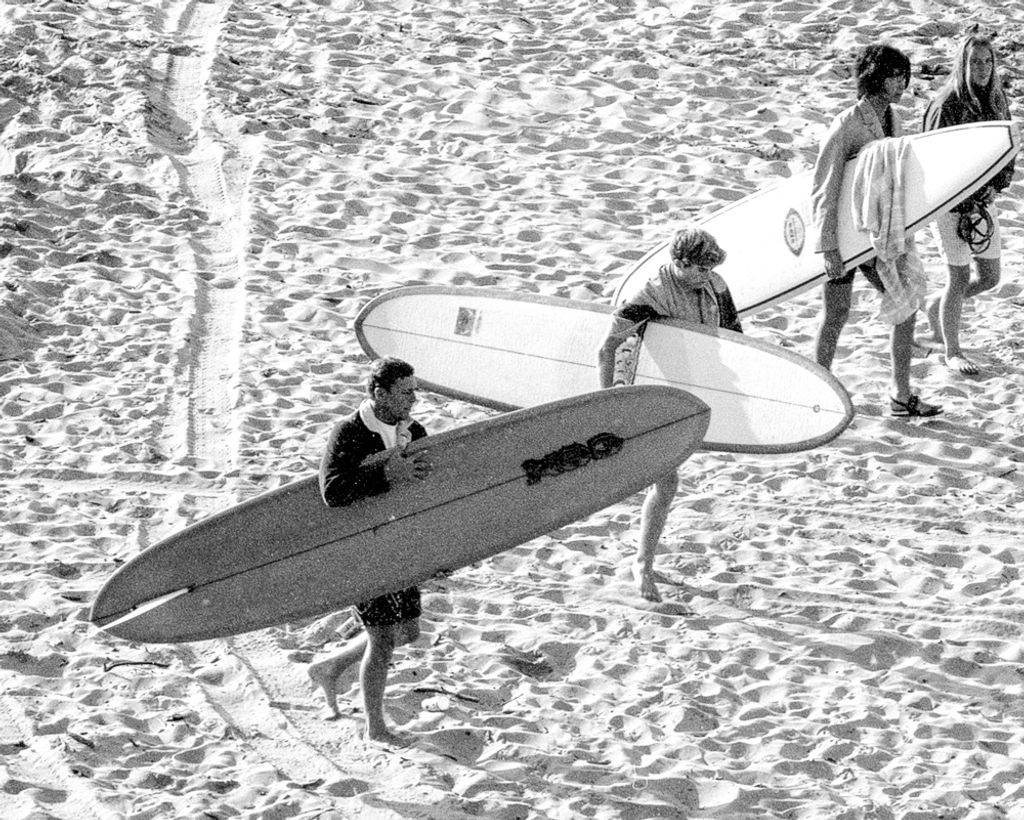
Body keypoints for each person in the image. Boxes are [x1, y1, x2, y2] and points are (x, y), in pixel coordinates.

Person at [597, 227, 741, 602]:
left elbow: (736, 338)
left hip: (692, 392)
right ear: (679, 263)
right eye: (699, 270)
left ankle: (645, 559)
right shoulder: (651, 294)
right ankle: (642, 564)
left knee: (666, 484)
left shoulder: (716, 283)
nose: (706, 277)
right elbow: (607, 346)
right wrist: (607, 404)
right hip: (654, 393)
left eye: (711, 270)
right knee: (667, 483)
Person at [810, 42, 942, 418]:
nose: (900, 83)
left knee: (906, 303)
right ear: (875, 78)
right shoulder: (848, 123)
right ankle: (817, 395)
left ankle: (901, 395)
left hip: (876, 235)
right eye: (893, 76)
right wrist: (829, 248)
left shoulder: (893, 119)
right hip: (845, 236)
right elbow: (825, 186)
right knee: (836, 314)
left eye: (902, 75)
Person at [308, 356, 431, 745]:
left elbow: (430, 496)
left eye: (415, 390)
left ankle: (330, 667)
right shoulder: (349, 433)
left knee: (408, 631)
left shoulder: (416, 431)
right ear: (380, 393)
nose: (414, 399)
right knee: (381, 639)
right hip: (362, 548)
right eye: (406, 392)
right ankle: (375, 730)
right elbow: (333, 493)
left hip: (400, 543)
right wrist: (383, 474)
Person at [922, 29, 1015, 375]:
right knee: (959, 277)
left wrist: (996, 188)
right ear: (962, 64)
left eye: (987, 61)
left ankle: (937, 306)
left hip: (983, 200)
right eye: (974, 61)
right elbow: (930, 160)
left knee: (990, 277)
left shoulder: (995, 97)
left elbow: (1007, 148)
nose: (981, 67)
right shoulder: (946, 103)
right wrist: (960, 198)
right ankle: (952, 351)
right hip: (949, 204)